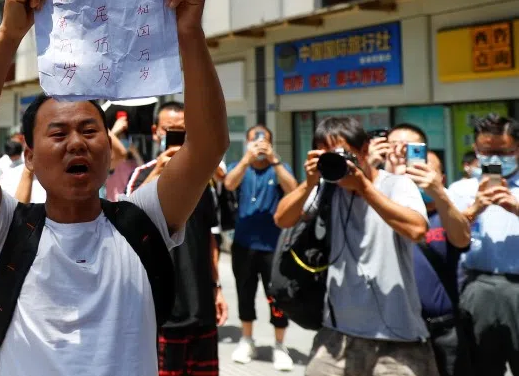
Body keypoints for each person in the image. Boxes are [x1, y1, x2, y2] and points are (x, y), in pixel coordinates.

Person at [0, 0, 229, 376]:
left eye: (89, 130)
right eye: (57, 133)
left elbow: (208, 146)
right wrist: (7, 35)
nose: (76, 142)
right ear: (29, 156)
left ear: (110, 152)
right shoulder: (5, 231)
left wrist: (190, 33)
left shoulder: (143, 220)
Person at [275, 116, 436, 376]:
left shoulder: (397, 184)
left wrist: (363, 187)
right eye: (326, 155)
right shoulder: (327, 190)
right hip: (337, 333)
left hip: (396, 337)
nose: (335, 162)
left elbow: (417, 230)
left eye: (342, 154)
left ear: (364, 150)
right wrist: (309, 182)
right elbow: (282, 219)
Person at [127, 102, 229, 376]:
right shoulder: (142, 175)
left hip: (202, 309)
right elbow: (127, 223)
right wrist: (160, 171)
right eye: (171, 131)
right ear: (156, 132)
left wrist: (217, 287)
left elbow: (210, 238)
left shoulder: (204, 179)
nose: (177, 138)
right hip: (161, 314)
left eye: (184, 132)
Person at [447, 114, 519, 376]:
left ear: (517, 149)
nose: (495, 159)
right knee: (480, 368)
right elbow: (450, 236)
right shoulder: (460, 189)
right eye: (486, 152)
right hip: (477, 287)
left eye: (504, 151)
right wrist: (473, 209)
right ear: (476, 150)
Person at [224, 125, 297, 371]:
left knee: (276, 296)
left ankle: (280, 345)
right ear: (246, 144)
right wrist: (247, 158)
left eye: (264, 141)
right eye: (254, 141)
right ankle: (247, 339)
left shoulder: (279, 168)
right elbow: (229, 184)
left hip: (273, 246)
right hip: (244, 245)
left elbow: (294, 190)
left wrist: (274, 160)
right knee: (245, 293)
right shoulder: (239, 167)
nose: (259, 146)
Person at [403, 147, 471, 376]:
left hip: (445, 330)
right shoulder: (395, 215)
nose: (419, 177)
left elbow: (462, 239)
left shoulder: (449, 214)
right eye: (414, 171)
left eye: (426, 171)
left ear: (441, 178)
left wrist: (439, 194)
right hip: (404, 330)